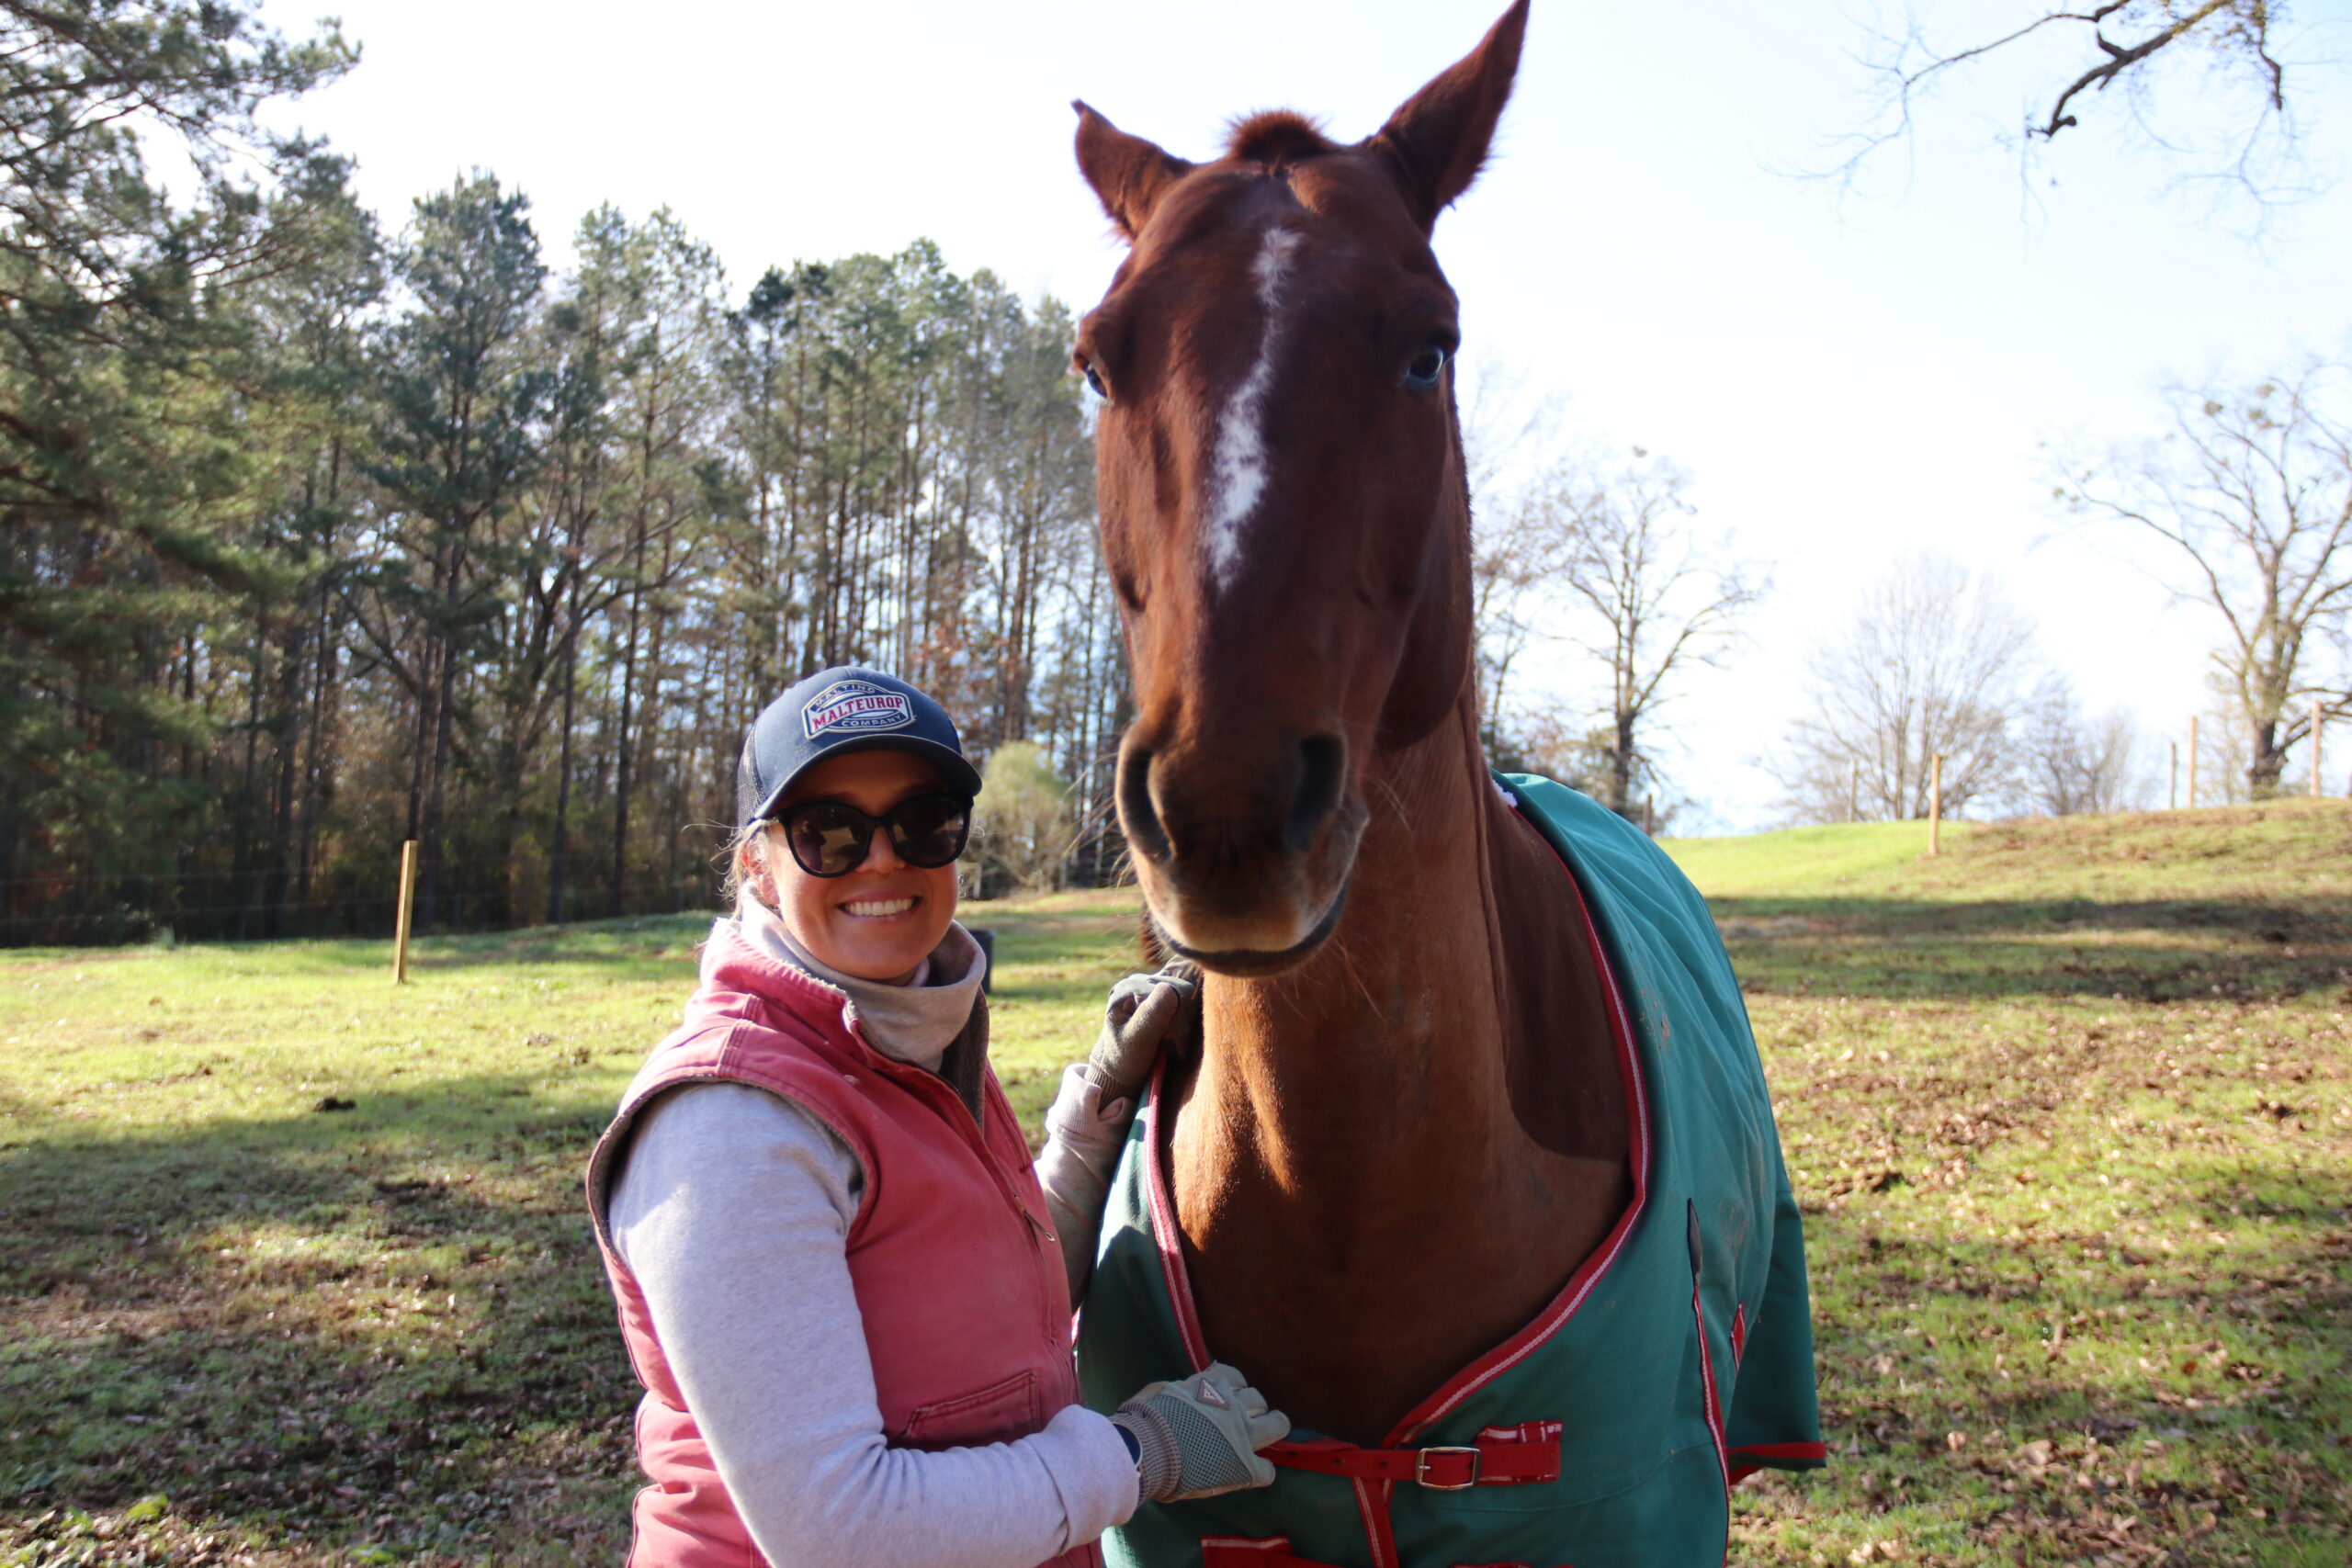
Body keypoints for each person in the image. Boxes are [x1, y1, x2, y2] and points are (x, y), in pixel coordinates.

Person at [584, 666, 1288, 1568]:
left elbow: (974, 1299)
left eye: (922, 821)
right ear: (757, 864)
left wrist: (1091, 1115)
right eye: (826, 830)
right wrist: (1138, 1456)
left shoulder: (917, 1034)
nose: (881, 857)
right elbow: (841, 1531)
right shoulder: (731, 1124)